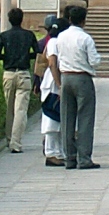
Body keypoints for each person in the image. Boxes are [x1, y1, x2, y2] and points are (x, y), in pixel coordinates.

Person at [48, 5, 100, 169]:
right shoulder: (85, 38)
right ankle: (84, 158)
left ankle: (69, 157)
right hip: (82, 78)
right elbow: (94, 61)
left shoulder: (61, 37)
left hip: (66, 78)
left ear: (69, 19)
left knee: (67, 118)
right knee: (85, 118)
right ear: (84, 20)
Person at [0, 7, 40, 152]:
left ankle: (9, 139)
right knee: (20, 110)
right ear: (22, 19)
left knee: (9, 109)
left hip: (8, 73)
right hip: (23, 73)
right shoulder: (29, 35)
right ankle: (16, 142)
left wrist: (6, 57)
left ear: (9, 20)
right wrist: (26, 56)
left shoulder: (4, 36)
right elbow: (37, 52)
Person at [38, 14, 64, 165]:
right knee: (51, 120)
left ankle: (57, 152)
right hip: (52, 85)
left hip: (55, 83)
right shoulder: (54, 42)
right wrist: (59, 84)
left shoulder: (56, 41)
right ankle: (50, 152)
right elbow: (53, 64)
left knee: (57, 120)